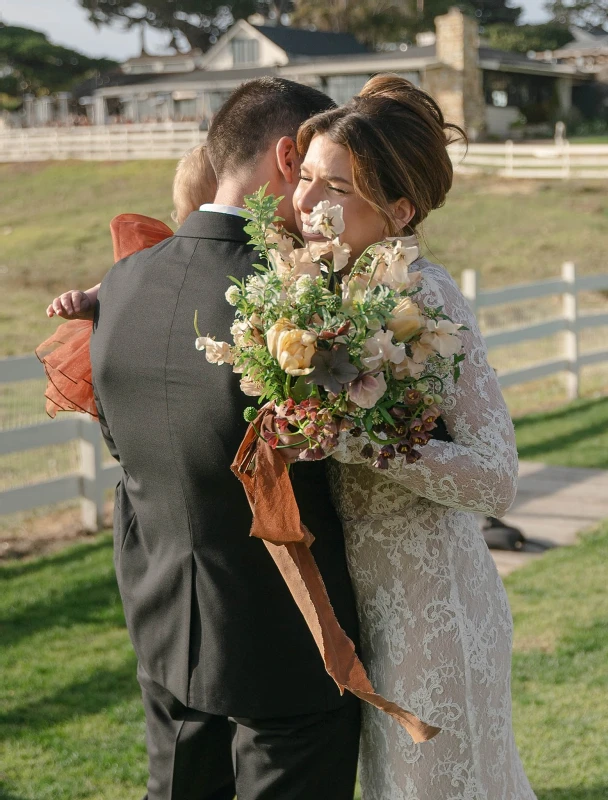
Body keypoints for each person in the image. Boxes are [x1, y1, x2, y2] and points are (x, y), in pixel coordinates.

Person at [88, 78, 361, 800]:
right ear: (284, 158)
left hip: (162, 623)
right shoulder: (304, 300)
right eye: (320, 172)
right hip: (290, 641)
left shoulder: (121, 284)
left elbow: (124, 443)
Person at [291, 74, 536, 799]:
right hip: (370, 615)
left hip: (438, 619)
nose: (306, 202)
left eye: (336, 188)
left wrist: (357, 439)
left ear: (398, 210)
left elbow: (496, 477)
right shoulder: (320, 288)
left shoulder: (427, 296)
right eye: (305, 178)